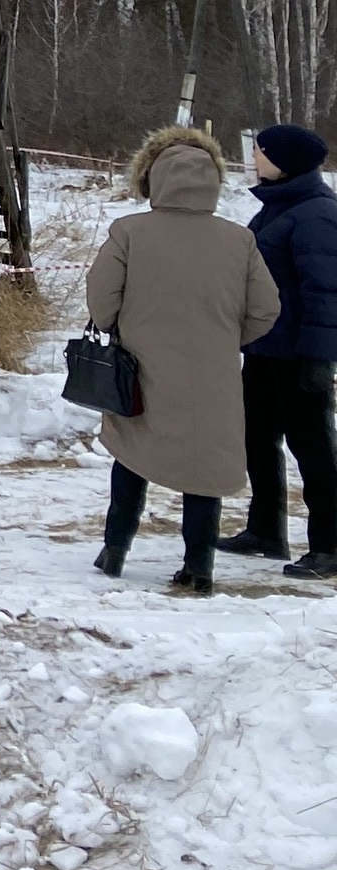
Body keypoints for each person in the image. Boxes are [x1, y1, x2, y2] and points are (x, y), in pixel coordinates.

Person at [84, 125, 280, 594]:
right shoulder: (239, 240)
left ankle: (115, 550)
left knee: (132, 456)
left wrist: (118, 329)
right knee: (203, 470)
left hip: (140, 370)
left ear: (152, 179)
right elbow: (265, 309)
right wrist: (226, 340)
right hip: (213, 377)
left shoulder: (129, 231)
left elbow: (101, 299)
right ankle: (200, 567)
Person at [224, 123, 337, 576]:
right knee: (256, 436)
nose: (254, 158)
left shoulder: (317, 214)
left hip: (299, 353)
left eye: (260, 151)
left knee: (312, 447)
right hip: (265, 347)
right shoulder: (277, 206)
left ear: (283, 160)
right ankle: (266, 530)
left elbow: (326, 292)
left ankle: (329, 545)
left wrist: (319, 357)